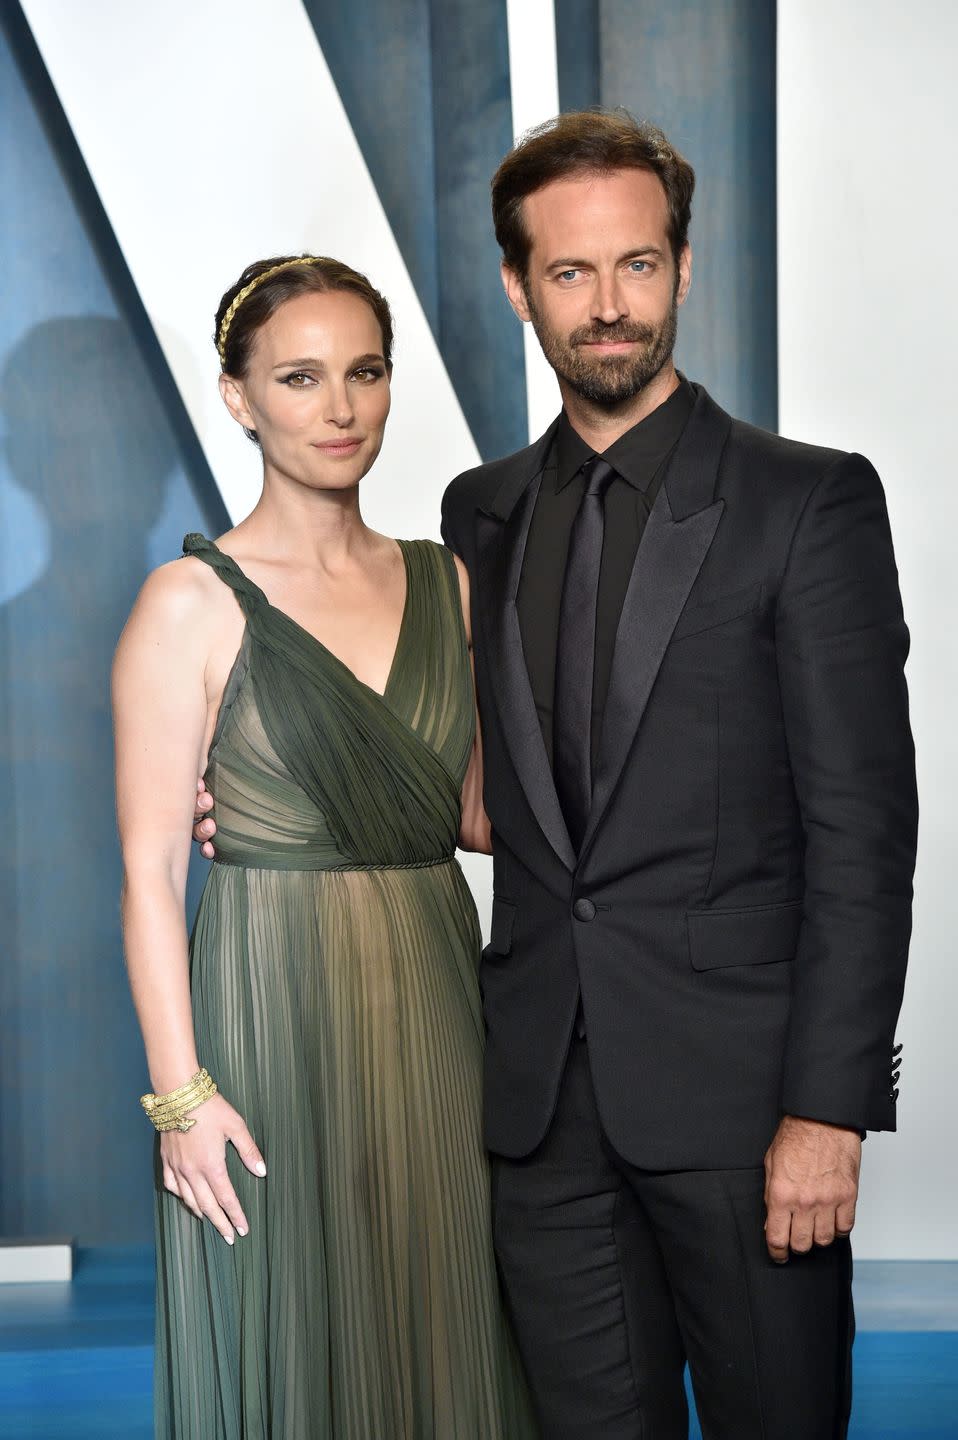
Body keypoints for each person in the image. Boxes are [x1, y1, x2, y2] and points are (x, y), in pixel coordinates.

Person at [194, 114, 918, 1437]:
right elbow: (488, 797)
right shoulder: (481, 511)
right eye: (571, 275)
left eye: (636, 266)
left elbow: (863, 826)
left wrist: (827, 1110)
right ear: (520, 287)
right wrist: (274, 798)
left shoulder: (803, 502)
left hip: (743, 1109)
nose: (608, 306)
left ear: (683, 271)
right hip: (533, 1114)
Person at [113, 254, 537, 1439]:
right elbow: (148, 876)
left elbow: (473, 819)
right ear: (239, 397)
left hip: (442, 1005)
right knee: (288, 1339)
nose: (341, 408)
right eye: (300, 378)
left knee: (447, 1324)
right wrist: (182, 1100)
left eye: (364, 372)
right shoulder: (186, 604)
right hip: (267, 1017)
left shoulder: (442, 580)